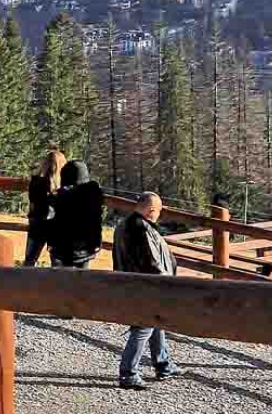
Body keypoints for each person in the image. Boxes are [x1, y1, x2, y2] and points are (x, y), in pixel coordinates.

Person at [112, 192, 184, 390]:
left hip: (134, 284)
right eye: (158, 211)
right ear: (152, 210)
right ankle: (128, 373)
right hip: (144, 287)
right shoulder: (140, 228)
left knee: (155, 323)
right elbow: (151, 262)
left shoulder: (125, 224)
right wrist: (166, 284)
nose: (159, 216)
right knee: (143, 328)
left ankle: (163, 364)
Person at [49, 160, 104, 269]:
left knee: (59, 281)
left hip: (60, 248)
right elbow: (95, 222)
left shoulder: (59, 196)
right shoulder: (92, 195)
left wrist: (51, 242)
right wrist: (97, 242)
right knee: (81, 281)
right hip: (84, 249)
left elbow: (51, 221)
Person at [24, 149, 67, 266]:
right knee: (57, 263)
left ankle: (24, 282)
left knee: (30, 260)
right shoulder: (64, 186)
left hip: (37, 224)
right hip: (56, 227)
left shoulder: (35, 182)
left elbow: (32, 204)